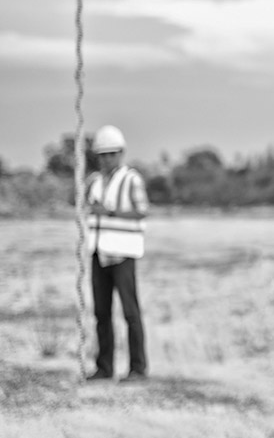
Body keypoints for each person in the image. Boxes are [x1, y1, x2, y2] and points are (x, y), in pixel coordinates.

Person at [85, 125, 150, 382]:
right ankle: (104, 367)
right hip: (98, 252)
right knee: (101, 312)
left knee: (130, 313)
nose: (107, 158)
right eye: (103, 154)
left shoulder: (132, 179)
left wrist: (110, 213)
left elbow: (142, 210)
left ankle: (138, 368)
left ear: (121, 153)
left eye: (112, 153)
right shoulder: (94, 181)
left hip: (123, 253)